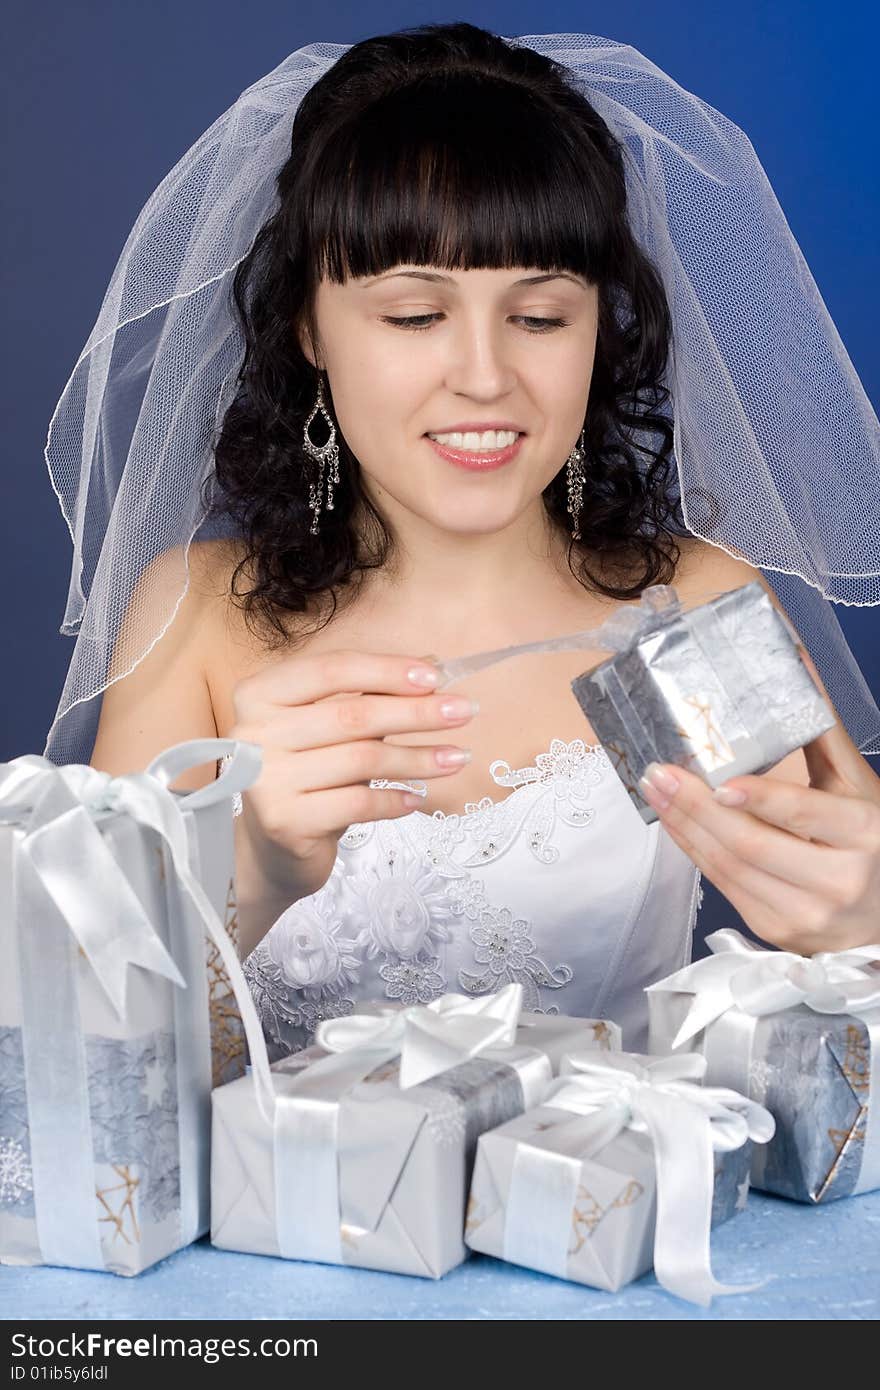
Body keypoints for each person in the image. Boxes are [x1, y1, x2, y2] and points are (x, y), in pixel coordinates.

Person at [50, 24, 880, 1054]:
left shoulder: (691, 606)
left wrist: (855, 929)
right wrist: (254, 868)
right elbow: (90, 1065)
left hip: (615, 1203)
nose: (484, 377)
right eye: (412, 316)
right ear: (309, 328)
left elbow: (828, 994)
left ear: (597, 333)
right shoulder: (198, 621)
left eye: (539, 316)